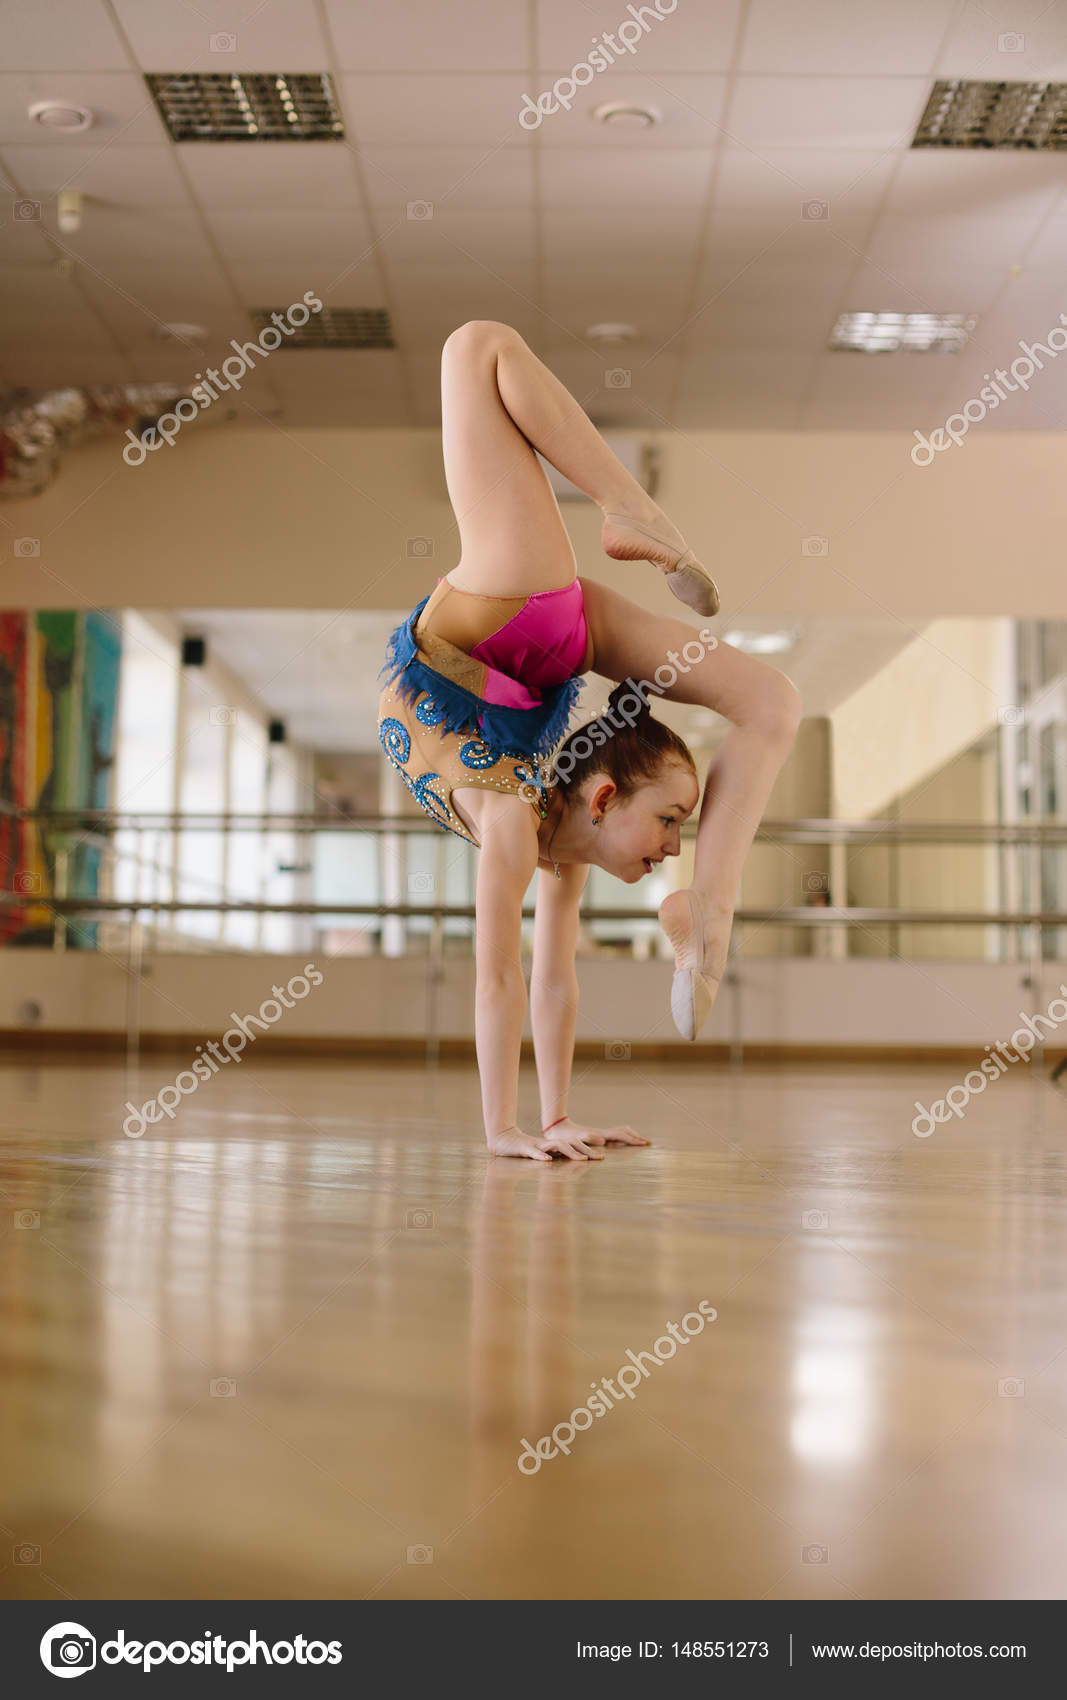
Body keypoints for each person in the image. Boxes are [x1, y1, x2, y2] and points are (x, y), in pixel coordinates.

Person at [378, 321, 802, 1160]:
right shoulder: (536, 816)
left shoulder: (525, 825)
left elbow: (530, 979)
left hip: (485, 640)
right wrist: (509, 1126)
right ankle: (629, 507)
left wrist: (545, 1119)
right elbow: (525, 978)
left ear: (601, 799)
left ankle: (712, 914)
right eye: (677, 823)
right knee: (473, 347)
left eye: (675, 826)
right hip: (528, 645)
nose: (673, 844)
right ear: (601, 795)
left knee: (772, 703)